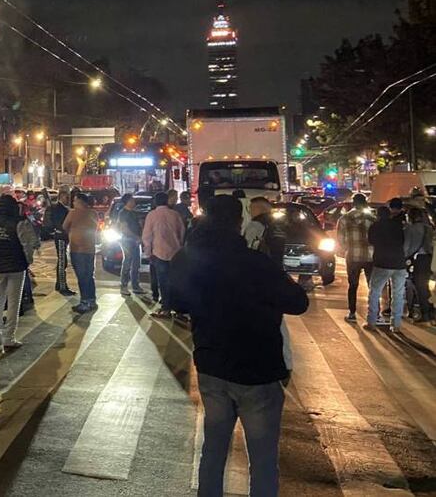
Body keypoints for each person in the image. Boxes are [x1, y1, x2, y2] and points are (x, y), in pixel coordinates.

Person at [169, 195, 308, 497]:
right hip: (257, 370)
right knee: (262, 458)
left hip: (212, 366)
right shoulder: (256, 263)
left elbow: (174, 299)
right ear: (238, 222)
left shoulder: (190, 257)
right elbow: (298, 302)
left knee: (214, 449)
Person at [0, 195, 40, 349]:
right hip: (17, 266)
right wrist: (28, 261)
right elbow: (26, 246)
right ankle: (9, 336)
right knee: (14, 302)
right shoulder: (19, 223)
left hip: (0, 266)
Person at [141, 191, 185, 318]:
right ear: (167, 201)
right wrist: (179, 245)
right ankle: (178, 308)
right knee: (176, 281)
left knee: (163, 282)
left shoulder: (152, 215)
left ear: (155, 202)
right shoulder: (175, 214)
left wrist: (148, 252)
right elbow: (182, 232)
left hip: (159, 253)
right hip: (175, 253)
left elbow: (147, 236)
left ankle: (166, 308)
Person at [366, 200, 408, 332]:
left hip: (382, 263)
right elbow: (402, 241)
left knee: (375, 292)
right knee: (398, 294)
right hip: (399, 263)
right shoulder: (397, 226)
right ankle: (396, 324)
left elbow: (371, 241)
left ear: (378, 215)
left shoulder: (375, 226)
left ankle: (371, 321)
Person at [336, 194, 375, 322]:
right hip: (371, 256)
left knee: (353, 285)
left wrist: (346, 248)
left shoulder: (344, 219)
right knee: (372, 286)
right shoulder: (373, 218)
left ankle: (352, 313)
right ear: (365, 203)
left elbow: (340, 240)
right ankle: (375, 314)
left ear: (353, 203)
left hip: (353, 256)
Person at [63, 193, 98, 313]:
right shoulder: (93, 213)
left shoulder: (72, 213)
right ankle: (92, 300)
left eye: (75, 201)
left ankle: (85, 302)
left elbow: (64, 226)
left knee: (82, 277)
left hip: (77, 250)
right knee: (89, 275)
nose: (73, 203)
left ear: (80, 202)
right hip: (90, 249)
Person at [405, 206, 434, 323]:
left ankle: (423, 312)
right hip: (428, 259)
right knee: (425, 286)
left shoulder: (409, 229)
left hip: (416, 260)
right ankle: (429, 309)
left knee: (418, 286)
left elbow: (406, 247)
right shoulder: (429, 228)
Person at [45, 190, 73, 295]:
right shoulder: (58, 209)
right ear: (61, 196)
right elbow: (59, 223)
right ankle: (62, 286)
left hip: (62, 236)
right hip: (61, 236)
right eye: (67, 197)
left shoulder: (61, 208)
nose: (68, 200)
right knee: (62, 261)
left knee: (62, 260)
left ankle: (59, 284)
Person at [117, 195, 145, 296]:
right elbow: (124, 229)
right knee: (127, 262)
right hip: (127, 240)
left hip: (136, 239)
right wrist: (136, 237)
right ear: (127, 201)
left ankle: (135, 286)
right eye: (132, 200)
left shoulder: (134, 212)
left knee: (136, 264)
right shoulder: (123, 213)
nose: (134, 201)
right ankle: (124, 286)